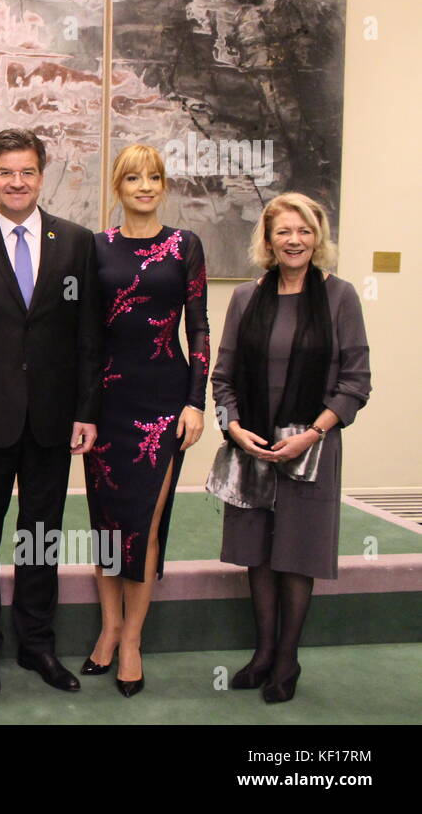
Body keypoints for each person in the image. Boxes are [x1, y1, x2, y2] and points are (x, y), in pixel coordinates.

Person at [0, 127, 103, 696]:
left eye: (27, 171)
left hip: (54, 418)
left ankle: (37, 645)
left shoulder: (77, 243)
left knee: (42, 535)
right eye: (5, 172)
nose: (16, 182)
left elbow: (88, 335)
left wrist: (87, 410)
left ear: (41, 175)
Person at [212, 192, 370, 703]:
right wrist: (233, 428)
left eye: (303, 230)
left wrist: (314, 431)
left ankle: (287, 659)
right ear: (268, 239)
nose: (294, 240)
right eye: (283, 231)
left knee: (296, 555)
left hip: (312, 448)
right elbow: (223, 378)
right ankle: (262, 653)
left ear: (317, 236)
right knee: (258, 554)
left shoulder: (341, 296)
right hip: (252, 448)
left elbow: (356, 381)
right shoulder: (244, 297)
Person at [81, 145, 209, 697]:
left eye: (153, 177)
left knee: (145, 523)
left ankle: (133, 639)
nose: (144, 186)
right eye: (133, 177)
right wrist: (81, 412)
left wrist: (196, 402)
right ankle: (108, 628)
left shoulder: (186, 246)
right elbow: (87, 336)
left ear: (163, 185)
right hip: (107, 403)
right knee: (107, 522)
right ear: (118, 185)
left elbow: (200, 330)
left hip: (164, 400)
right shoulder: (96, 247)